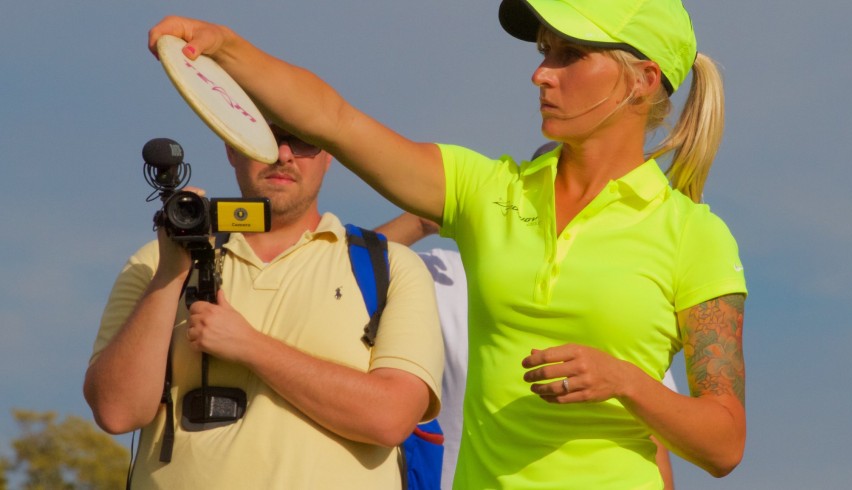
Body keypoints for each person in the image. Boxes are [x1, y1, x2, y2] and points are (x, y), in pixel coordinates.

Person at [147, 0, 747, 487]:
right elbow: (333, 119)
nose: (541, 73)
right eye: (545, 54)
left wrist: (627, 382)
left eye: (570, 55)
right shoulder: (484, 189)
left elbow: (723, 443)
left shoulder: (695, 235)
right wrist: (225, 47)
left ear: (642, 80)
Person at [83, 126, 444, 489]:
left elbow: (391, 418)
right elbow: (117, 411)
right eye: (264, 137)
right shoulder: (153, 264)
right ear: (231, 147)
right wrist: (168, 276)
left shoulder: (389, 266)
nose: (283, 154)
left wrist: (249, 345)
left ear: (330, 151)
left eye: (304, 140)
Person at [375, 210, 678, 490]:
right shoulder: (453, 274)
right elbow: (343, 269)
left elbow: (652, 442)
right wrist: (420, 221)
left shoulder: (627, 313)